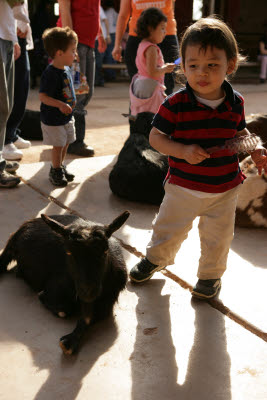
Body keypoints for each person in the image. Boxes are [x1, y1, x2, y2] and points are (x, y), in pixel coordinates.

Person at [129, 16, 267, 299]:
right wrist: (182, 151)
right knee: (168, 229)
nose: (201, 73)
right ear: (183, 66)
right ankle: (155, 259)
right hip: (183, 186)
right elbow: (156, 138)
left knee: (218, 239)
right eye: (193, 66)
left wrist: (255, 146)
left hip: (225, 189)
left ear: (230, 65)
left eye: (212, 65)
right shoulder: (175, 104)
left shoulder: (235, 101)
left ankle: (210, 277)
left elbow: (239, 130)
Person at [57, 0, 106, 157]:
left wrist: (100, 35)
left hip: (89, 45)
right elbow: (65, 12)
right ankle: (75, 142)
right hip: (77, 46)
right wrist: (72, 45)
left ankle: (68, 137)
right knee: (78, 95)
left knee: (87, 93)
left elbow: (95, 12)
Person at [112, 0, 179, 95]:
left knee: (167, 85)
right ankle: (139, 109)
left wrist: (162, 29)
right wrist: (117, 44)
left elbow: (172, 8)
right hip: (137, 37)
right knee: (138, 86)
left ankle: (164, 108)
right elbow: (123, 16)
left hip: (167, 36)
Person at [39, 27, 77, 187]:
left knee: (66, 142)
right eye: (73, 51)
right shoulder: (50, 73)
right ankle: (55, 170)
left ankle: (59, 166)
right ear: (60, 53)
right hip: (54, 119)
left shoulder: (66, 69)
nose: (75, 54)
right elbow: (43, 96)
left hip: (66, 117)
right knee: (58, 145)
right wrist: (60, 104)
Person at [129, 8, 175, 116]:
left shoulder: (142, 44)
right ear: (150, 29)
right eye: (162, 28)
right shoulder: (152, 48)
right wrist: (165, 69)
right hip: (150, 87)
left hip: (141, 84)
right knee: (154, 118)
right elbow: (152, 72)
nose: (165, 32)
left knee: (143, 117)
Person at [3, 0, 33, 161]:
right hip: (7, 32)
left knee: (21, 84)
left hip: (16, 33)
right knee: (7, 90)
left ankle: (12, 133)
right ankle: (5, 140)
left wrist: (24, 26)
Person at [0, 1, 22, 188]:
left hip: (5, 34)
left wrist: (13, 38)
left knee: (5, 106)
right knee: (1, 106)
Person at [102, 0, 118, 82]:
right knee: (113, 54)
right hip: (115, 33)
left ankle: (109, 74)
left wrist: (106, 35)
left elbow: (105, 23)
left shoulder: (107, 12)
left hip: (109, 34)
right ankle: (112, 74)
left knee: (108, 54)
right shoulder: (115, 12)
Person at [95, 6, 110, 87]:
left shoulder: (98, 7)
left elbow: (106, 20)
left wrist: (107, 35)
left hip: (99, 38)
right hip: (91, 39)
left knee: (99, 61)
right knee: (93, 61)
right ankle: (95, 80)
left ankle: (99, 80)